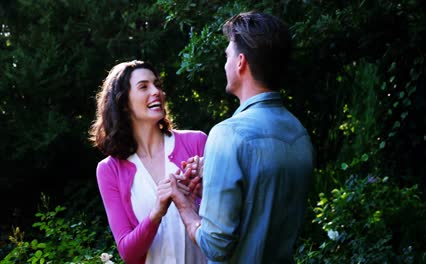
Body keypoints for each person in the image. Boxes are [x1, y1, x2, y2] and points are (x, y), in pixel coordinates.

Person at [167, 11, 315, 264]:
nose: (224, 64)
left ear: (240, 62)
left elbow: (216, 247)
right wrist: (214, 179)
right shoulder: (299, 133)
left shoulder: (228, 134)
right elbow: (264, 206)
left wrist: (186, 208)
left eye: (227, 56)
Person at [88, 60, 207, 264]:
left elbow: (227, 218)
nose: (157, 92)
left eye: (158, 85)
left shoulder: (196, 142)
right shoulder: (109, 170)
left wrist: (206, 187)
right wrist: (157, 211)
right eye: (144, 86)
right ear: (123, 103)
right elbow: (128, 253)